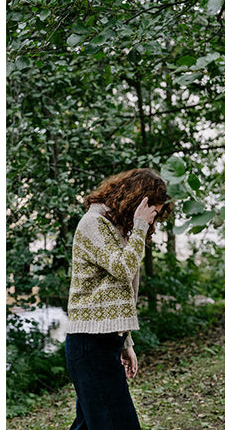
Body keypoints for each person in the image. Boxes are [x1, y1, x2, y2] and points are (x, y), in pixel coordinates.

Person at [64, 168, 173, 430]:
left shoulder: (115, 229)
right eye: (152, 213)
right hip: (89, 346)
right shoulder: (93, 224)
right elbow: (124, 270)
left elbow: (119, 295)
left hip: (104, 343)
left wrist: (125, 342)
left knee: (89, 425)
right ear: (138, 202)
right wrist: (139, 226)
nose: (152, 221)